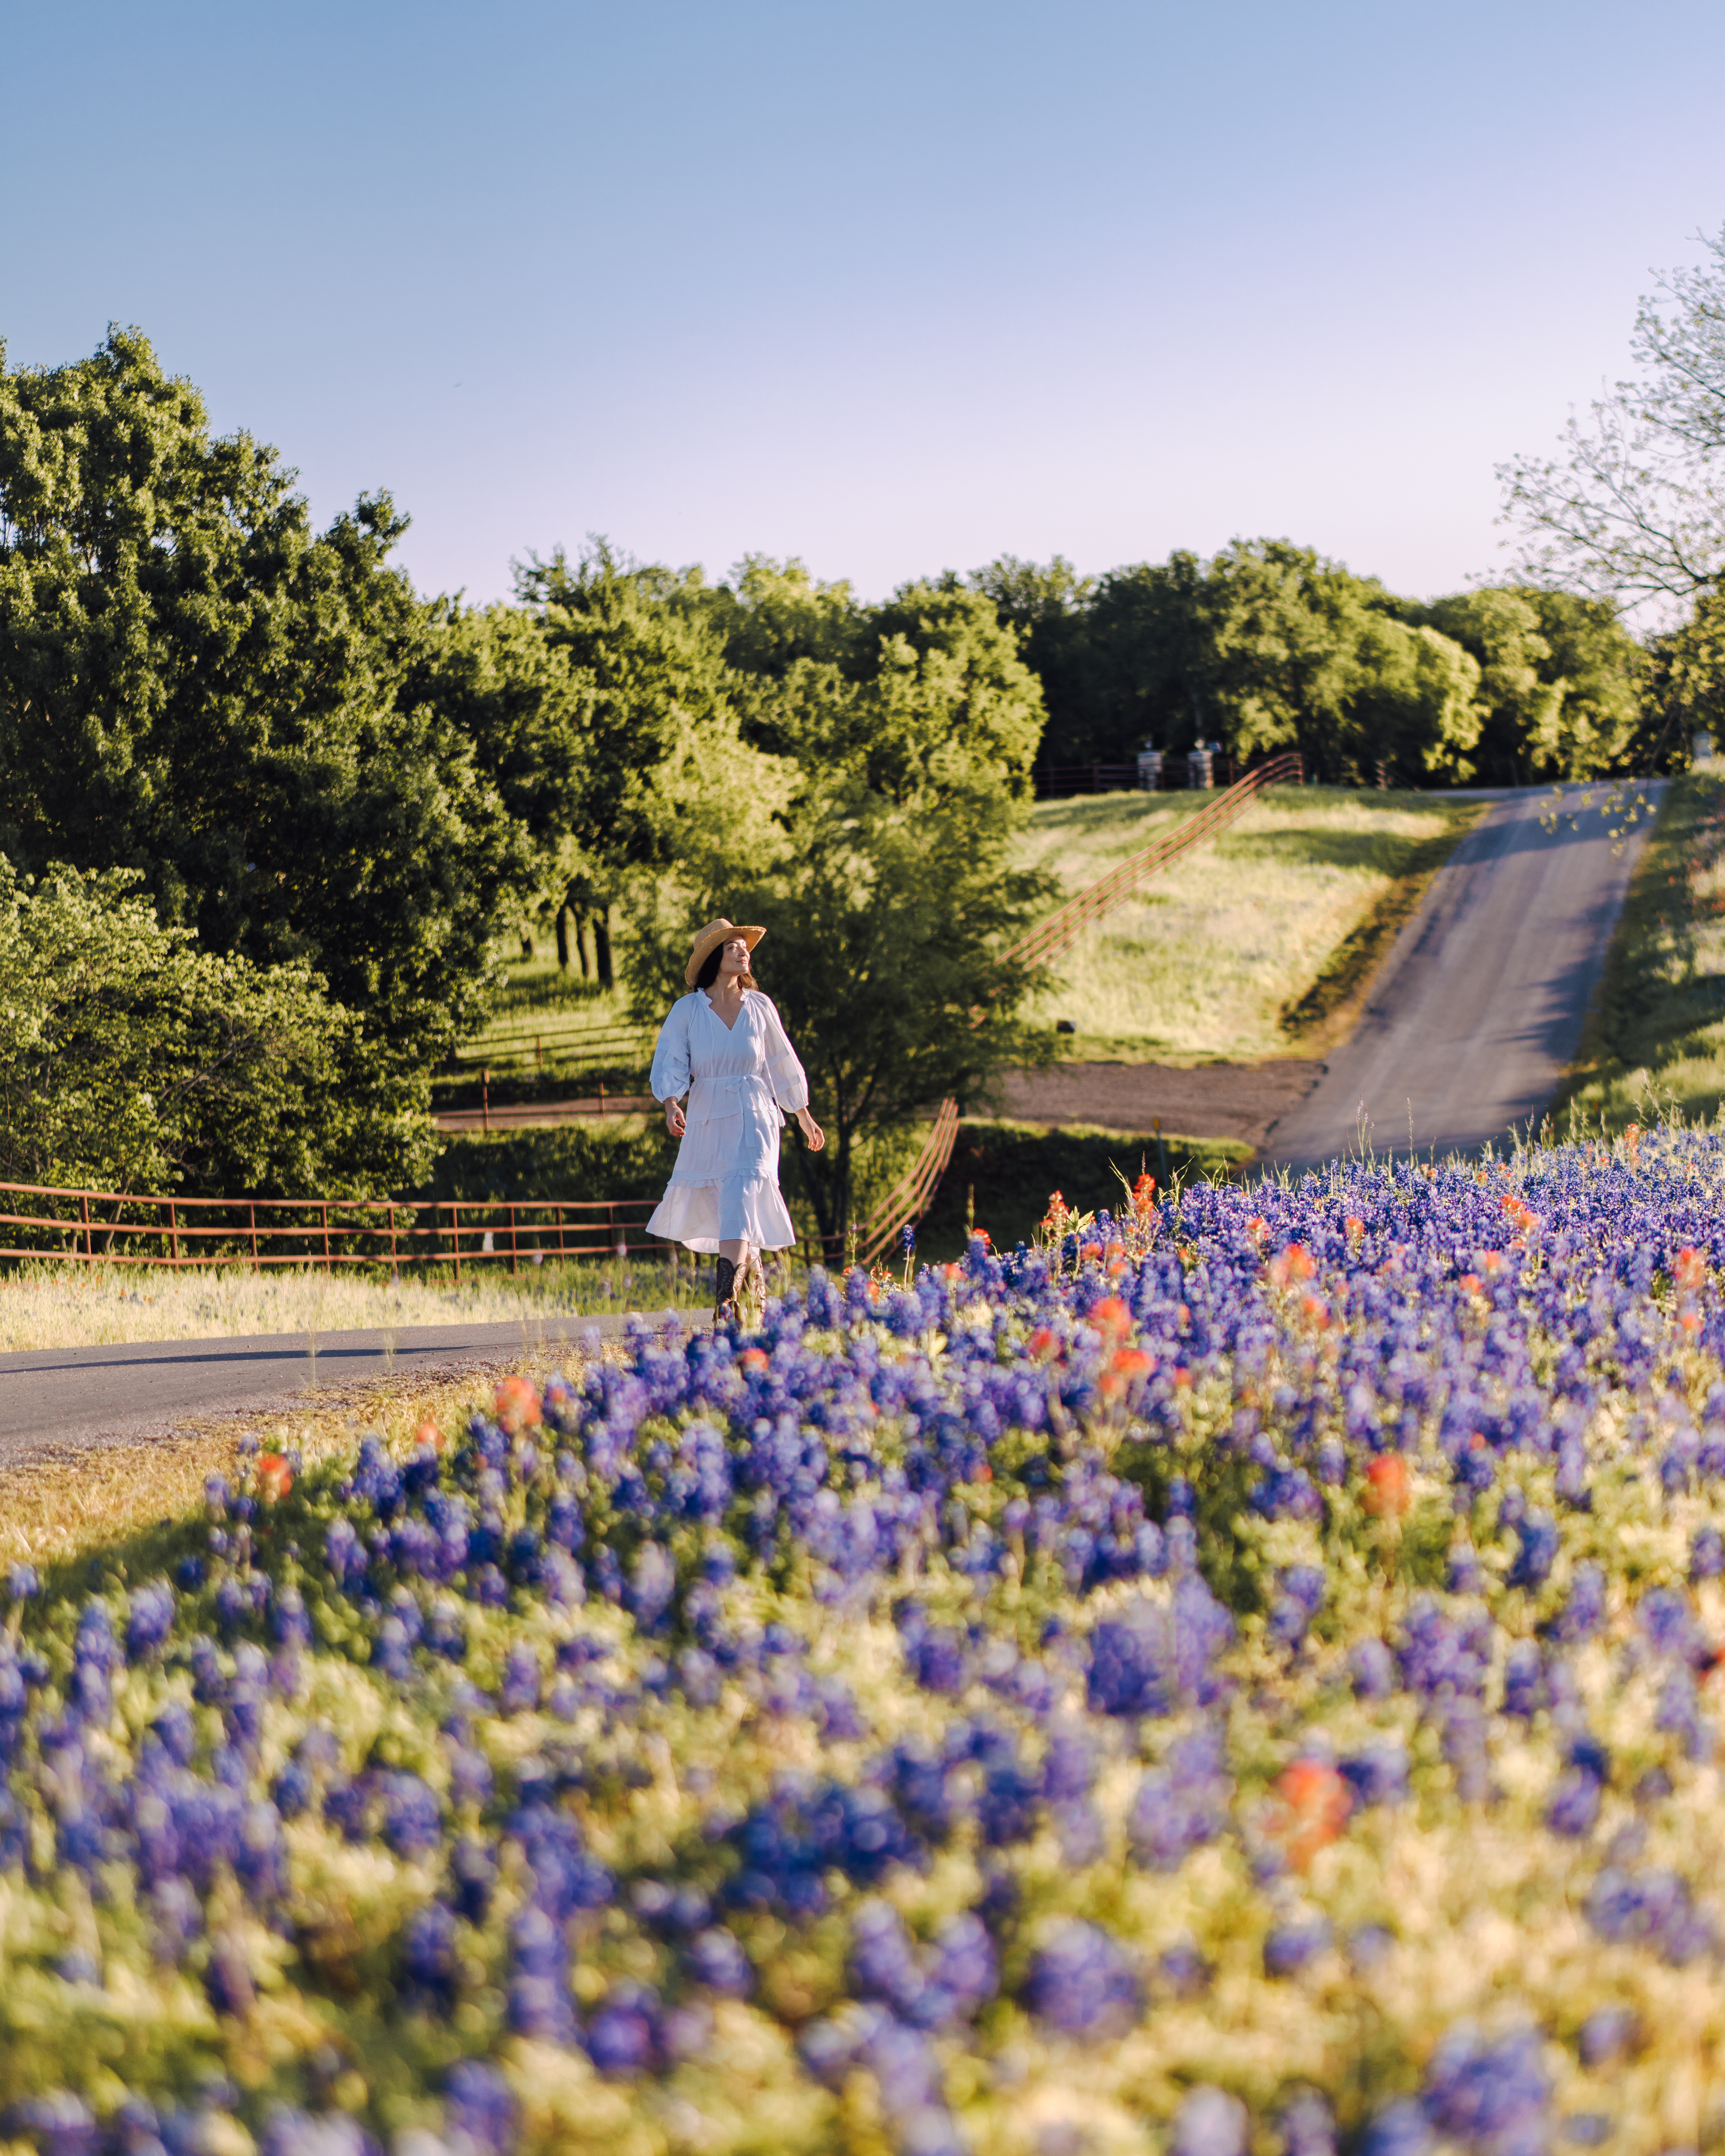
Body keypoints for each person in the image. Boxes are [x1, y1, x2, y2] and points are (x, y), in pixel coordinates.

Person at [647, 918, 825, 1322]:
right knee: (733, 1207)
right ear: (715, 957)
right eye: (734, 947)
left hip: (756, 1115)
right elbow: (672, 1059)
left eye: (745, 947)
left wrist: (803, 1114)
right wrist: (671, 1102)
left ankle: (725, 1303)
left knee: (743, 1193)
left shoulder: (760, 1007)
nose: (744, 951)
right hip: (709, 1116)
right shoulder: (688, 1010)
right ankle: (755, 1295)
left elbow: (782, 1063)